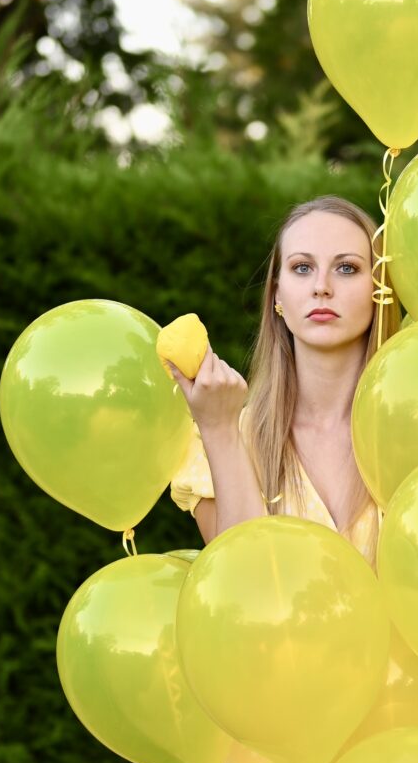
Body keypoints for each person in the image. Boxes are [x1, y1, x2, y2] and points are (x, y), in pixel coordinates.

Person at [166, 194, 401, 570]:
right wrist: (219, 428)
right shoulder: (226, 438)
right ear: (277, 293)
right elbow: (244, 583)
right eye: (302, 268)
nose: (322, 287)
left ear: (379, 290)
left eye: (346, 268)